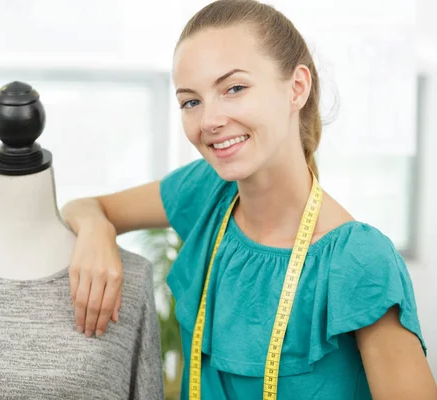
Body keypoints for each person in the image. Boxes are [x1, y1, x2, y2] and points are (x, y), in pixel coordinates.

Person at [61, 0, 437, 398]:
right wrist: (97, 232)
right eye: (191, 101)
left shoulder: (358, 260)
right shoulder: (207, 194)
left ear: (297, 88)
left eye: (234, 88)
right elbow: (85, 207)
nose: (208, 120)